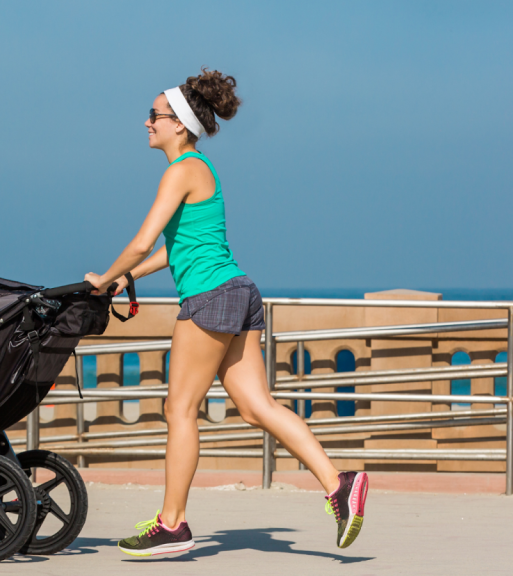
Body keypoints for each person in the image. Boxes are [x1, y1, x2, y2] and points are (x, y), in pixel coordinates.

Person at [82, 68, 369, 558]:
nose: (147, 122)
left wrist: (104, 278)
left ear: (178, 124)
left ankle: (172, 524)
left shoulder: (180, 170)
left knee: (179, 410)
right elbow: (177, 248)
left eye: (154, 115)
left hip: (210, 298)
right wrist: (130, 278)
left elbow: (142, 241)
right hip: (239, 291)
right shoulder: (202, 169)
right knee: (257, 407)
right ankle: (339, 483)